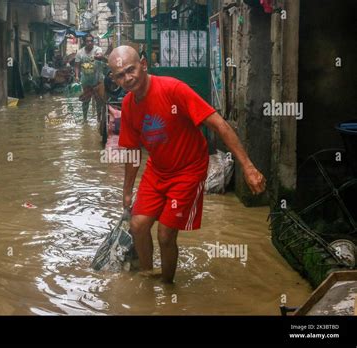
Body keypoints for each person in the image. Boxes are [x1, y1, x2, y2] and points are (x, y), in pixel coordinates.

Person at [107, 46, 266, 283]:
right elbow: (132, 151)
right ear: (114, 79)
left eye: (131, 70)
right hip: (157, 169)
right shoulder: (129, 105)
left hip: (188, 170)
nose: (128, 78)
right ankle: (149, 279)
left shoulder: (173, 89)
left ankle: (167, 286)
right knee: (138, 226)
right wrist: (127, 191)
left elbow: (220, 125)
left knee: (165, 234)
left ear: (143, 64)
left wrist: (248, 167)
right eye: (120, 75)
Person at [74, 34, 106, 122]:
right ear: (84, 42)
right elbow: (77, 66)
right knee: (85, 100)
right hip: (86, 80)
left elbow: (101, 56)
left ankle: (99, 119)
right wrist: (77, 76)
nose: (89, 43)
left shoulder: (97, 49)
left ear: (93, 42)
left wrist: (97, 56)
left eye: (91, 41)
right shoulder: (80, 52)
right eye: (87, 41)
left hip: (98, 80)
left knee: (99, 100)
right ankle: (85, 119)